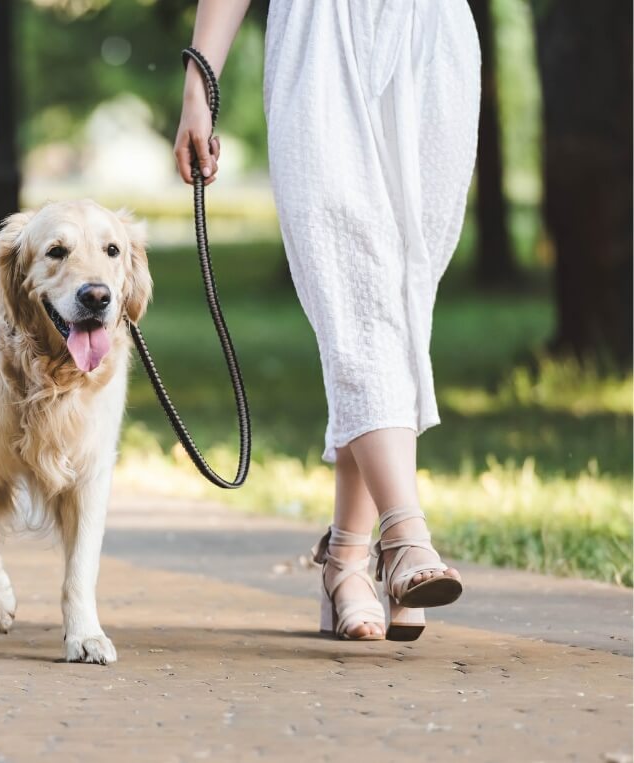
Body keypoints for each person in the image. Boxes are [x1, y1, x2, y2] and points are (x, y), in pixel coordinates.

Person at [175, 0, 480, 640]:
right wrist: (199, 88)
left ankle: (345, 559)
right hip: (318, 38)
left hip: (434, 35)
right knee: (355, 292)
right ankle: (405, 534)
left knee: (398, 303)